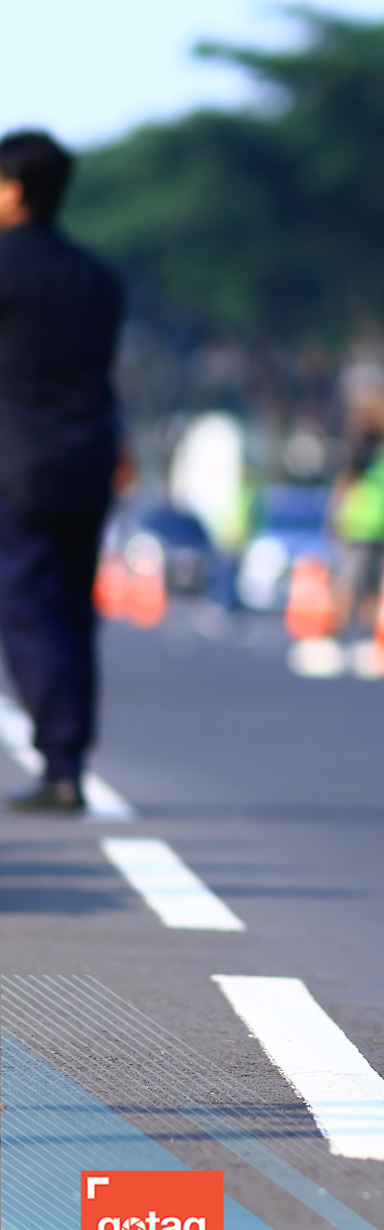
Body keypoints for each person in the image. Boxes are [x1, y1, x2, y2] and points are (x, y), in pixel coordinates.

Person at [0, 130, 124, 812]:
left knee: (27, 607)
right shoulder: (97, 277)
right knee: (74, 608)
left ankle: (60, 760)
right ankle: (69, 758)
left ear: (15, 191)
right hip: (89, 458)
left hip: (17, 462)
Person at [329, 428, 384, 635]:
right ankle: (369, 632)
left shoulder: (360, 463)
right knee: (372, 586)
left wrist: (334, 523)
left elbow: (340, 492)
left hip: (356, 532)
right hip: (382, 532)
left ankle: (340, 629)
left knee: (349, 583)